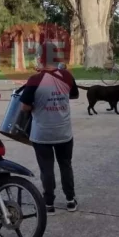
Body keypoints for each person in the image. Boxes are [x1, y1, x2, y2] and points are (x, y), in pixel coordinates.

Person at [20, 49, 80, 215]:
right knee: (66, 165)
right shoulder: (67, 76)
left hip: (42, 133)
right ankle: (70, 200)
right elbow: (74, 95)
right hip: (64, 132)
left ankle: (49, 204)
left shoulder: (34, 80)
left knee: (46, 168)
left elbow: (24, 106)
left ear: (40, 58)